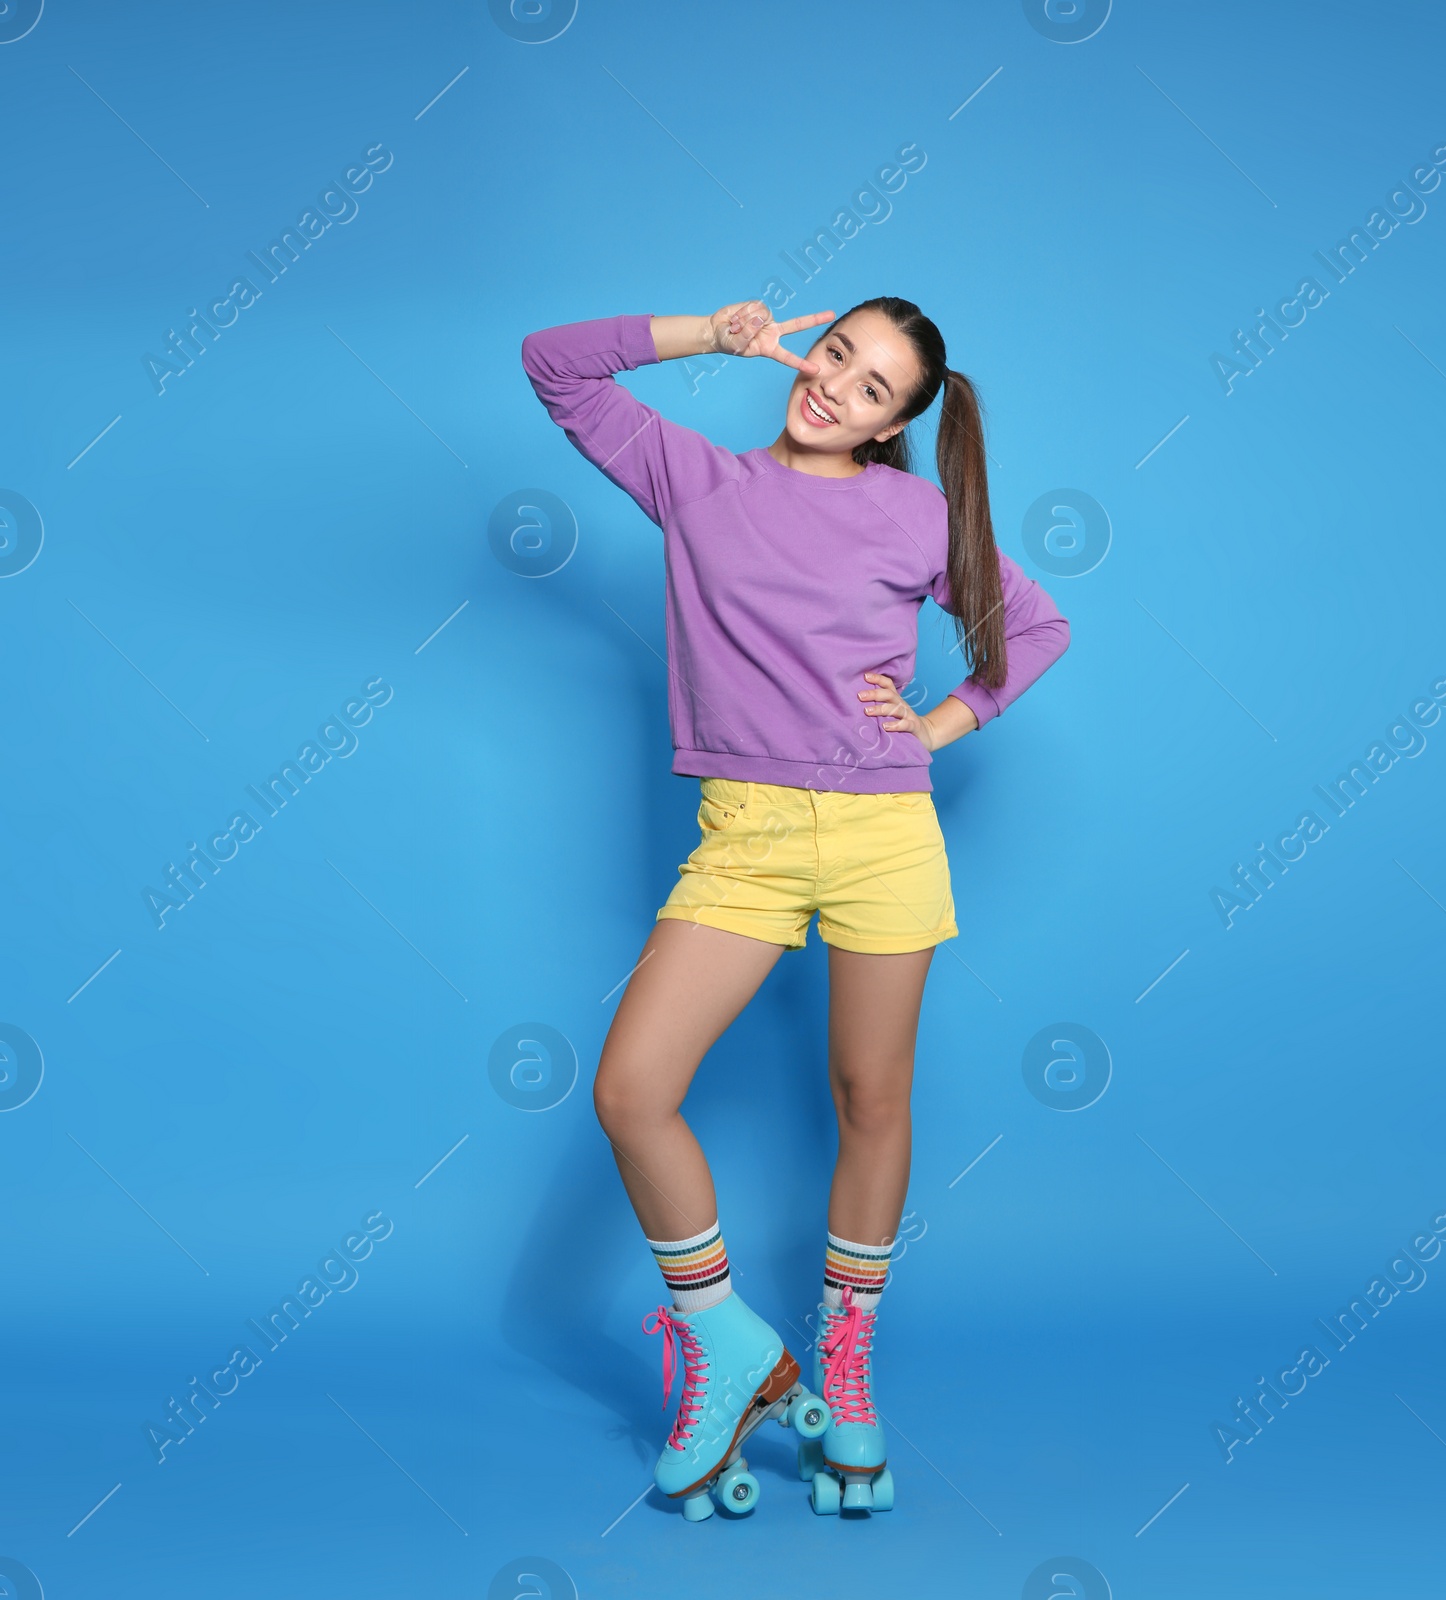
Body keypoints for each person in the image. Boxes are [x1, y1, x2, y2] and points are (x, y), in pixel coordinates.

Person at [520, 297, 1070, 1519]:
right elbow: (553, 366)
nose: (832, 387)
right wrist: (709, 333)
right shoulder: (694, 478)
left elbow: (1031, 628)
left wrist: (938, 724)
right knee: (631, 1090)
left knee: (871, 1098)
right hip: (746, 841)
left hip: (881, 833)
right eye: (834, 355)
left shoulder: (916, 515)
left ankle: (845, 1363)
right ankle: (723, 1339)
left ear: (892, 426)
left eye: (871, 388)